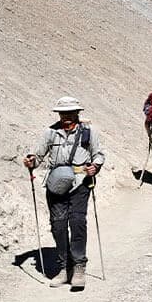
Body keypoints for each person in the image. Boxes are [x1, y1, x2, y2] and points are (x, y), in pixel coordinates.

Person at [22, 96, 105, 289]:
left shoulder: (89, 132)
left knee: (77, 223)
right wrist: (30, 162)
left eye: (70, 113)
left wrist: (95, 166)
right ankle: (63, 268)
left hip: (80, 183)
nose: (66, 116)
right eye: (62, 113)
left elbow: (99, 154)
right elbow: (38, 157)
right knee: (58, 226)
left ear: (77, 113)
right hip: (56, 185)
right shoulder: (50, 133)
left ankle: (78, 267)